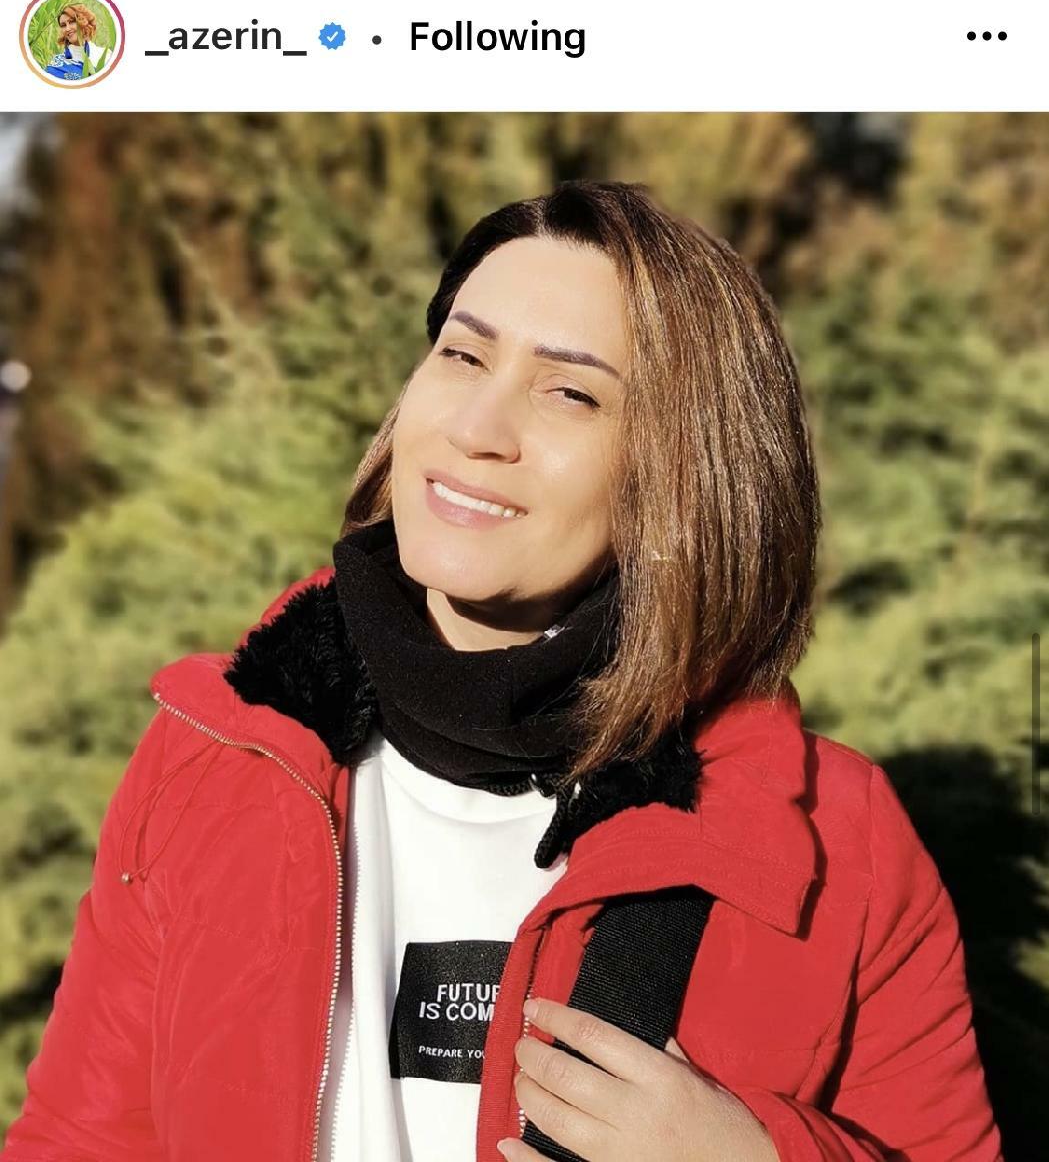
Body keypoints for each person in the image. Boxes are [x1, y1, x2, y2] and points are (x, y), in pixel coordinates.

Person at [1, 180, 1003, 1162]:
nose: (476, 428)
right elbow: (82, 1141)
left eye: (569, 392)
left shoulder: (835, 844)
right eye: (462, 354)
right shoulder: (215, 756)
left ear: (686, 476)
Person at [43, 3, 108, 82]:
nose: (67, 29)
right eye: (63, 25)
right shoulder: (56, 66)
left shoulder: (106, 55)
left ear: (84, 22)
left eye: (71, 22)